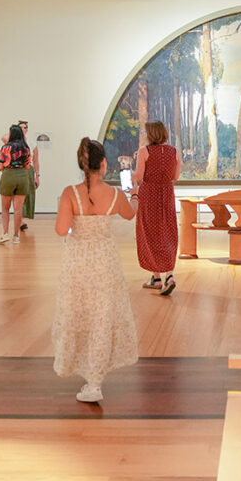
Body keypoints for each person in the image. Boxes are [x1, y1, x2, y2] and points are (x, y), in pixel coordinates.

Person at [53, 137, 139, 403]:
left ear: (81, 164)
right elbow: (130, 214)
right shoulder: (114, 194)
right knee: (102, 318)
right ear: (103, 164)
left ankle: (76, 366)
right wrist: (133, 192)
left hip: (77, 262)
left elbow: (60, 229)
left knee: (78, 314)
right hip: (105, 261)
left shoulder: (70, 193)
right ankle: (95, 381)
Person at [133, 121, 181, 295]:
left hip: (149, 194)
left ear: (151, 134)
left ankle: (157, 277)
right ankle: (168, 276)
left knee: (149, 233)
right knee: (167, 232)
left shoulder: (144, 152)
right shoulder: (173, 152)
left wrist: (127, 173)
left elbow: (138, 177)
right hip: (167, 193)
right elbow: (175, 176)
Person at [0, 124, 30, 244]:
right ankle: (16, 236)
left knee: (5, 208)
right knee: (18, 209)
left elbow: (0, 166)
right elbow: (27, 166)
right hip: (22, 177)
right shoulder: (26, 148)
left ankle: (5, 233)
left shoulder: (5, 148)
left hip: (8, 175)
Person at [17, 120, 39, 230]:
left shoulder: (32, 143)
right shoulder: (13, 142)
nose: (23, 129)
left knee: (28, 194)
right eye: (20, 127)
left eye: (24, 127)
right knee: (19, 195)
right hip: (18, 170)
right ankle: (20, 221)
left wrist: (37, 176)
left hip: (29, 170)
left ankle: (22, 219)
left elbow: (36, 161)